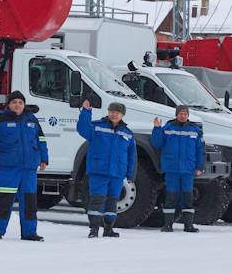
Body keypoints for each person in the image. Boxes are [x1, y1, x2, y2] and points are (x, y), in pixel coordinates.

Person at [0, 91, 48, 241]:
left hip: (28, 169)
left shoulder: (32, 120)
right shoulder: (1, 118)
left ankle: (30, 232)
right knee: (4, 200)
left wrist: (44, 158)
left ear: (24, 105)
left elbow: (41, 139)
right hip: (8, 168)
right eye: (14, 102)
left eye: (20, 102)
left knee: (29, 202)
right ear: (9, 105)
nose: (17, 105)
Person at [77, 100, 136, 238]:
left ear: (122, 115)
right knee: (97, 200)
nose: (114, 114)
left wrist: (130, 174)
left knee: (112, 201)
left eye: (117, 112)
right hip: (99, 171)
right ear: (108, 112)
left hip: (117, 174)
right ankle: (94, 229)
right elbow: (82, 129)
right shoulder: (97, 127)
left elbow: (131, 156)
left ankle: (108, 228)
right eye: (112, 111)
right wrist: (86, 112)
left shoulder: (128, 133)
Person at [150, 105, 203, 233]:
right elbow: (157, 144)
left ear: (188, 115)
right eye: (181, 113)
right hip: (172, 169)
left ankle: (188, 225)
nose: (183, 116)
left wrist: (199, 167)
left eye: (185, 113)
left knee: (187, 197)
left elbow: (200, 150)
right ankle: (168, 225)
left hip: (188, 170)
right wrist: (157, 129)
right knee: (170, 197)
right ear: (176, 114)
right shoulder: (167, 128)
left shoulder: (195, 130)